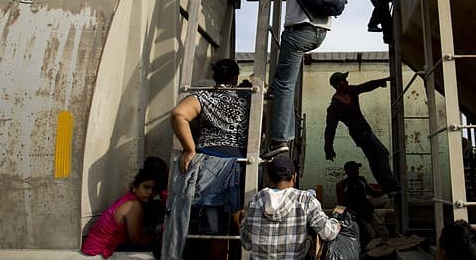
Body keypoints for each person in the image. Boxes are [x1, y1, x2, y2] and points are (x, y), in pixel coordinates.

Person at [164, 58, 251, 260]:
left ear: (215, 78)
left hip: (209, 166)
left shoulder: (204, 97)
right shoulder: (246, 98)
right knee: (240, 218)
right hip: (239, 165)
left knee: (216, 228)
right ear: (236, 78)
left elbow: (178, 114)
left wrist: (189, 149)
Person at [268, 0, 334, 151]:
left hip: (299, 29)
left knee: (285, 84)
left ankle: (280, 139)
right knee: (284, 80)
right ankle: (283, 125)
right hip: (321, 32)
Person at [241, 155, 341, 259]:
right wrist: (336, 223)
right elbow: (328, 233)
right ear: (294, 177)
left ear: (268, 178)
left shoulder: (254, 201)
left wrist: (243, 221)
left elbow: (246, 244)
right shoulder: (305, 200)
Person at [324, 72, 400, 194]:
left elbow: (365, 86)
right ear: (338, 85)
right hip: (359, 135)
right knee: (382, 153)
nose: (347, 82)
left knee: (375, 158)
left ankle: (387, 186)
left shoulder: (350, 91)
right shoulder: (334, 107)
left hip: (366, 130)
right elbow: (330, 128)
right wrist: (328, 148)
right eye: (344, 80)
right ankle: (389, 185)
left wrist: (381, 81)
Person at [81, 166, 160, 258]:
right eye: (146, 187)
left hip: (91, 247)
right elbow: (137, 240)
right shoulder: (134, 206)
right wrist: (157, 236)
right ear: (135, 188)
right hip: (96, 251)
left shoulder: (127, 199)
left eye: (153, 189)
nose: (150, 192)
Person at [336, 161, 389, 247]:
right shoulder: (342, 185)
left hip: (368, 212)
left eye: (357, 169)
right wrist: (338, 219)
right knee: (370, 235)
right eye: (355, 170)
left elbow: (373, 193)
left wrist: (385, 190)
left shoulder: (361, 180)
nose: (357, 171)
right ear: (348, 171)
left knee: (384, 232)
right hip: (356, 216)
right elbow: (340, 204)